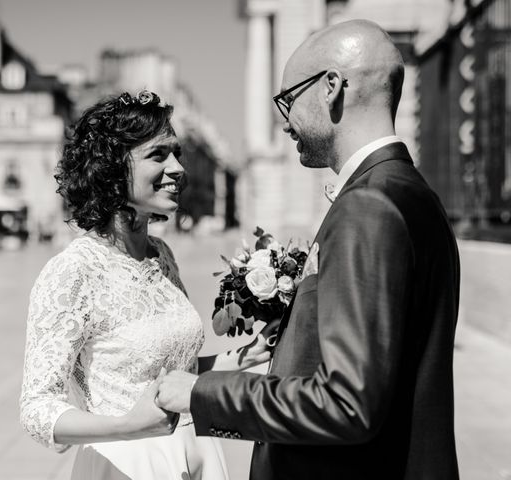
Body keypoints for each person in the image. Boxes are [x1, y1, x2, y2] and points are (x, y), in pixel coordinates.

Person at [156, 20, 461, 480]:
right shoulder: (414, 194)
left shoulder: (367, 206)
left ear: (331, 88)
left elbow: (346, 403)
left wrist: (202, 394)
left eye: (288, 99)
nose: (283, 122)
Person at [19, 90, 274, 480]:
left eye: (176, 153)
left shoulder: (161, 254)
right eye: (158, 155)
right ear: (112, 169)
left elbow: (176, 371)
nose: (177, 168)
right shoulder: (72, 271)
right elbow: (37, 409)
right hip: (128, 464)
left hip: (199, 450)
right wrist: (130, 426)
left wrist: (251, 352)